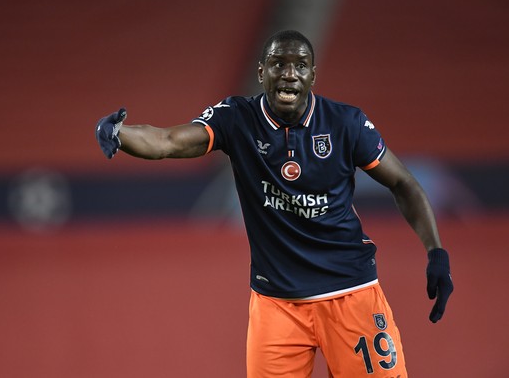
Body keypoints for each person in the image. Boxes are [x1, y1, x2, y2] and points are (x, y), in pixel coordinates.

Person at [95, 30, 453, 377]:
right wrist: (119, 133)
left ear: (313, 75)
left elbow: (402, 182)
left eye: (300, 65)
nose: (289, 74)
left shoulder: (347, 123)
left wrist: (436, 251)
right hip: (276, 303)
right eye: (278, 64)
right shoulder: (237, 118)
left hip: (350, 293)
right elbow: (169, 141)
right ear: (261, 72)